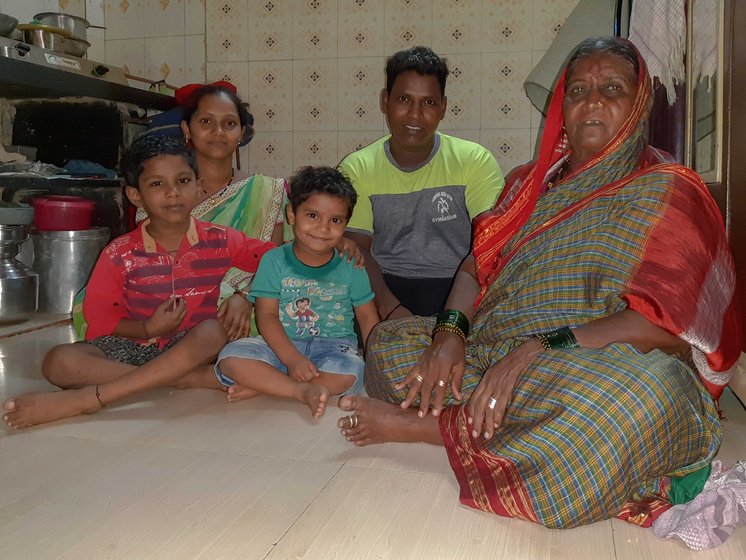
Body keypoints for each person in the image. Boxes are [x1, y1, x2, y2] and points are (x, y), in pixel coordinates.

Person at [335, 37, 742, 531]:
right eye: (578, 90)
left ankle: (431, 428)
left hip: (592, 363)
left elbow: (675, 329)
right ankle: (506, 425)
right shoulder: (528, 182)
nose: (591, 101)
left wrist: (537, 348)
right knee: (390, 344)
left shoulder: (671, 188)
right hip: (493, 346)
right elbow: (474, 267)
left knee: (642, 397)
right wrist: (448, 335)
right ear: (561, 106)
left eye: (611, 88)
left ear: (639, 101)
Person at [2, 135, 276, 429]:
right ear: (136, 196)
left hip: (197, 347)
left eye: (183, 181)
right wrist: (147, 328)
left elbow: (276, 261)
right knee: (58, 361)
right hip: (135, 347)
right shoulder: (120, 253)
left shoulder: (222, 240)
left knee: (213, 329)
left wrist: (244, 295)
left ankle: (90, 399)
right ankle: (187, 379)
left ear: (199, 187)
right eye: (157, 184)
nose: (172, 193)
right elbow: (98, 315)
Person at [72, 81, 287, 342]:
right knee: (91, 305)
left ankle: (162, 364)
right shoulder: (158, 191)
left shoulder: (268, 191)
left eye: (229, 123)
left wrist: (245, 297)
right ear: (187, 128)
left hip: (241, 305)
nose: (218, 132)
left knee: (282, 311)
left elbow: (275, 261)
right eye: (206, 122)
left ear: (242, 132)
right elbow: (146, 266)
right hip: (164, 297)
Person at [339, 46, 504, 319]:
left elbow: (489, 247)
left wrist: (452, 323)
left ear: (443, 108)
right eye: (404, 99)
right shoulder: (357, 168)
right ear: (385, 101)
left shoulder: (474, 161)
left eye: (428, 102)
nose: (415, 115)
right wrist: (391, 310)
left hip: (459, 288)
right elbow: (356, 253)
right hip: (382, 290)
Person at [214, 166, 379, 418]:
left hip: (334, 348)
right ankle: (300, 391)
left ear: (346, 223)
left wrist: (378, 364)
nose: (323, 228)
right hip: (280, 345)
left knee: (353, 371)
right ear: (292, 214)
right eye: (312, 215)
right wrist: (292, 360)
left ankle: (270, 386)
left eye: (335, 220)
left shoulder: (351, 264)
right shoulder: (274, 260)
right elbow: (266, 316)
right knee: (230, 357)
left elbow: (368, 318)